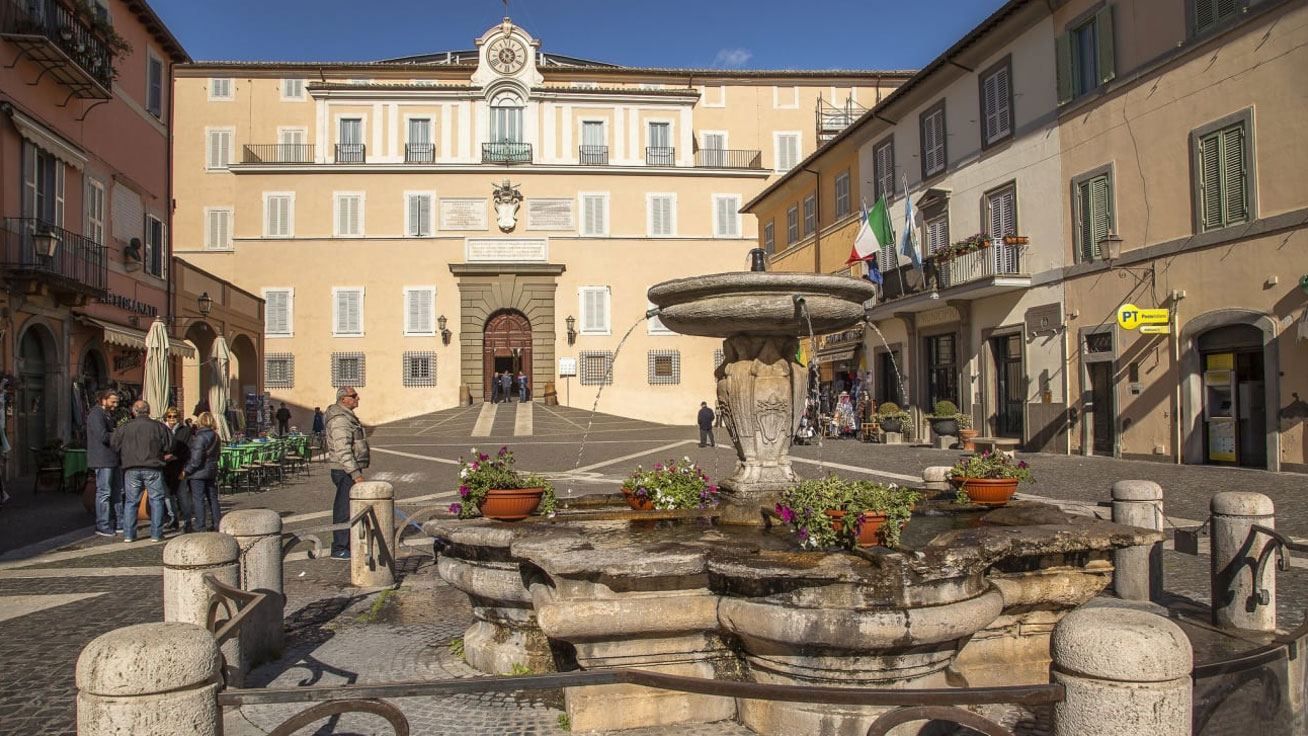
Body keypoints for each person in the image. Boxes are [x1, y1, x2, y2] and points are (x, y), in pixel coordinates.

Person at [111, 400, 174, 543]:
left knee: (131, 502)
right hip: (153, 467)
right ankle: (156, 534)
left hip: (131, 467)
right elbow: (169, 444)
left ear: (134, 411)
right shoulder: (158, 427)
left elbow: (114, 444)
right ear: (149, 410)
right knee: (156, 500)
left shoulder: (125, 427)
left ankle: (129, 535)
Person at [325, 386, 369, 559]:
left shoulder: (346, 417)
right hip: (344, 471)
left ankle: (349, 543)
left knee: (349, 508)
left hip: (346, 470)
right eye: (354, 396)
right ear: (343, 399)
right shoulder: (340, 421)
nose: (358, 398)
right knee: (343, 509)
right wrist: (355, 474)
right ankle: (339, 547)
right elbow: (343, 450)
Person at [87, 390, 122, 537]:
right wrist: (119, 434)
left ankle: (119, 522)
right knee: (104, 492)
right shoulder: (96, 415)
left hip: (111, 458)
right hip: (102, 459)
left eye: (116, 402)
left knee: (117, 492)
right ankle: (103, 524)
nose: (115, 405)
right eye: (112, 402)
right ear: (103, 400)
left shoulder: (107, 414)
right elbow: (102, 436)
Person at [184, 412, 223, 532]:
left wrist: (187, 470)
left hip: (198, 473)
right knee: (212, 498)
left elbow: (196, 459)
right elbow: (217, 454)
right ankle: (217, 523)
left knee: (198, 499)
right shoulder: (216, 436)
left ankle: (200, 525)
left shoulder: (199, 437)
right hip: (211, 470)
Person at [161, 408, 193, 532]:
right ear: (166, 417)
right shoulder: (162, 430)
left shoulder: (185, 431)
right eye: (170, 416)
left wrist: (176, 456)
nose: (172, 418)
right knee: (167, 495)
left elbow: (188, 449)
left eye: (175, 416)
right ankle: (173, 518)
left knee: (182, 495)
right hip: (165, 467)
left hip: (179, 467)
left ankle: (187, 521)